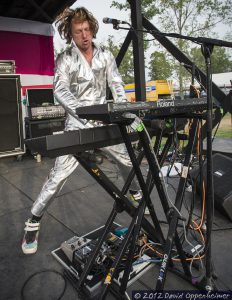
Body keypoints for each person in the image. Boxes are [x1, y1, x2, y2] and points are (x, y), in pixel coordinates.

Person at [22, 7, 145, 255]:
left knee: (126, 160)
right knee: (56, 178)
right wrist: (83, 112)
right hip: (77, 125)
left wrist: (122, 111)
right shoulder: (65, 58)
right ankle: (33, 221)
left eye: (87, 29)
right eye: (79, 31)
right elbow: (60, 90)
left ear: (92, 29)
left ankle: (135, 193)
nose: (85, 35)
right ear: (71, 34)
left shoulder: (106, 55)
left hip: (104, 122)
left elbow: (117, 85)